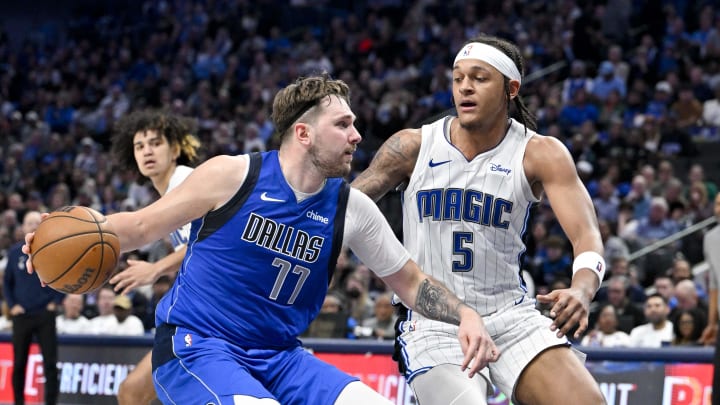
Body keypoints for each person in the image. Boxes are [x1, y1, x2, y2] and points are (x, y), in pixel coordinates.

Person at [25, 74, 498, 405]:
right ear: (303, 133)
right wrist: (56, 237)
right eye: (343, 124)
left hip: (279, 355)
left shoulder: (350, 208)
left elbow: (410, 282)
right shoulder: (232, 175)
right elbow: (141, 226)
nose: (357, 135)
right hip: (198, 343)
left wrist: (464, 313)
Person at [351, 35, 606, 405]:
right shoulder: (413, 146)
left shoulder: (541, 153)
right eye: (458, 78)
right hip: (434, 321)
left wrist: (582, 289)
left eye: (480, 78)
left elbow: (587, 235)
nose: (465, 87)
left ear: (510, 89)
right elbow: (349, 208)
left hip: (510, 317)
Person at [107, 110, 202, 405]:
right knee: (133, 393)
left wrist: (156, 269)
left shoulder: (185, 180)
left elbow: (203, 244)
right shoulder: (169, 193)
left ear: (175, 149)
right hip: (199, 311)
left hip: (213, 315)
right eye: (139, 145)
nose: (147, 150)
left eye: (155, 143)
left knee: (132, 393)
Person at [3, 211, 64, 405]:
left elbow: (65, 278)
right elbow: (6, 284)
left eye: (37, 223)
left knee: (50, 364)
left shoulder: (55, 249)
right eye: (29, 223)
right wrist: (13, 306)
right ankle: (18, 402)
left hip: (45, 313)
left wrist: (56, 301)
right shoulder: (14, 253)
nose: (33, 226)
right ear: (23, 227)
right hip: (22, 315)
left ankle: (51, 402)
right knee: (19, 363)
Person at [699, 192, 720, 405]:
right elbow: (714, 285)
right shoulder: (710, 238)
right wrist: (712, 323)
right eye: (716, 204)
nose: (718, 209)